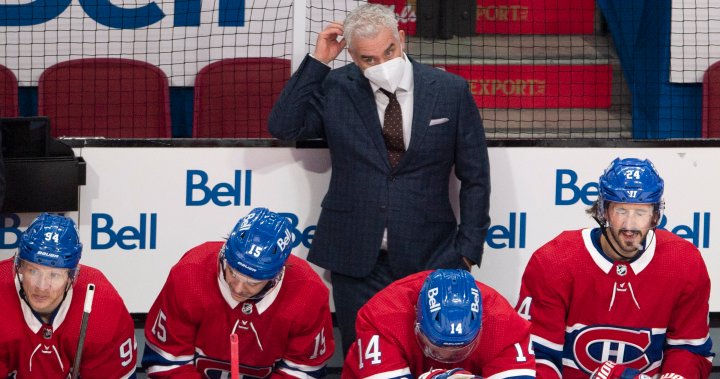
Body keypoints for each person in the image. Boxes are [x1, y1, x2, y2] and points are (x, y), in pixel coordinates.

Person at [268, 3, 491, 355]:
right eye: (369, 58)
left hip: (431, 255)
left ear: (402, 39)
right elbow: (283, 126)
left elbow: (475, 176)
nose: (382, 64)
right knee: (363, 359)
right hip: (355, 258)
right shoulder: (336, 87)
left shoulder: (450, 90)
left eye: (389, 50)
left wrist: (467, 251)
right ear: (354, 59)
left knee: (428, 359)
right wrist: (318, 62)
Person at [516, 157, 714, 378]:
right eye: (621, 211)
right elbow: (536, 355)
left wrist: (678, 375)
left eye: (640, 212)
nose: (630, 225)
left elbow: (690, 348)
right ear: (603, 210)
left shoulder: (684, 263)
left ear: (656, 214)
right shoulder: (554, 261)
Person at [141, 207, 335, 378]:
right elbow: (167, 362)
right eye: (232, 273)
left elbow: (302, 371)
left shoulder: (308, 293)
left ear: (276, 275)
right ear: (225, 253)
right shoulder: (190, 274)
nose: (238, 288)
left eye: (253, 282)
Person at [0, 213, 137, 378]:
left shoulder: (104, 306)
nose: (42, 286)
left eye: (54, 275)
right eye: (33, 271)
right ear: (19, 266)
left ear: (72, 277)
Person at [342, 269, 536, 378]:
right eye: (437, 347)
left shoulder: (505, 323)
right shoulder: (383, 316)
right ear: (416, 319)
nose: (447, 357)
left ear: (482, 324)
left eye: (461, 349)